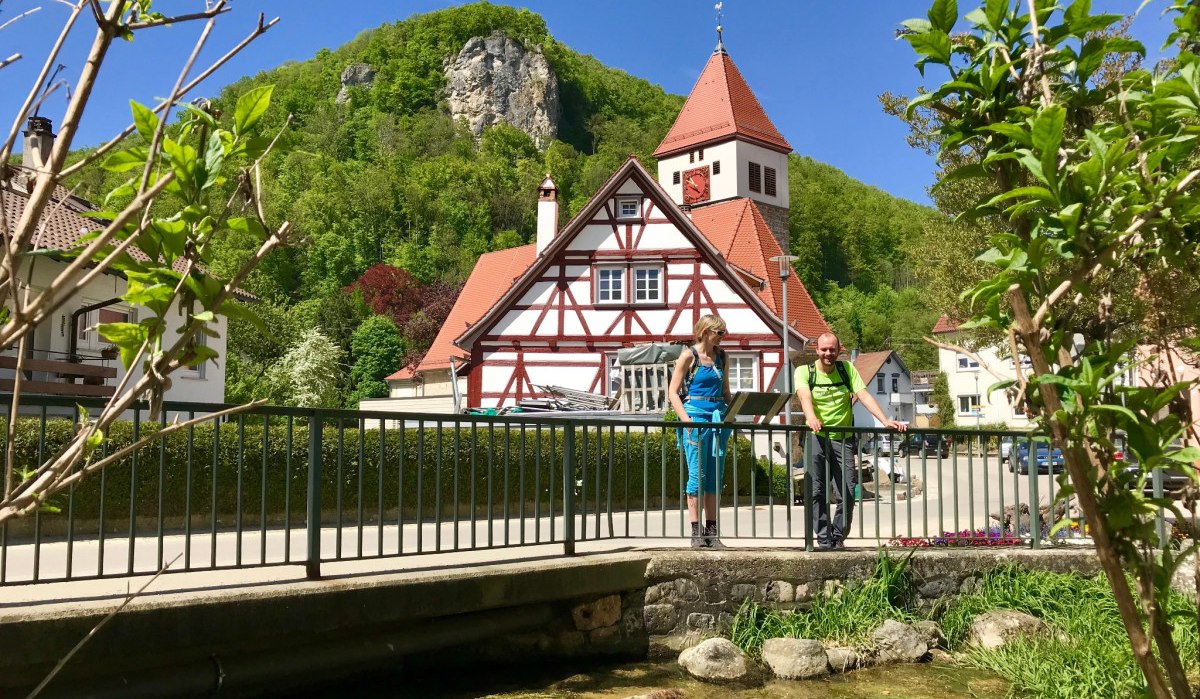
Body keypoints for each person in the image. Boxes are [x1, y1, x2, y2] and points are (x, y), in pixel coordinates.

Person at [795, 332, 906, 550]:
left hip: (843, 439)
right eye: (824, 349)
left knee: (846, 490)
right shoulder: (804, 372)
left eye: (832, 349)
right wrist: (811, 417)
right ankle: (824, 537)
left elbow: (863, 395)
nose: (828, 353)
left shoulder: (846, 370)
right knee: (816, 490)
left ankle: (838, 536)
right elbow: (804, 396)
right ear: (817, 350)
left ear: (839, 350)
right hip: (816, 436)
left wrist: (885, 421)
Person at [668, 314, 734, 548]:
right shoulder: (689, 355)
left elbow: (726, 391)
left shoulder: (722, 357)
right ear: (706, 332)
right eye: (720, 333)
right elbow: (673, 392)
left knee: (715, 476)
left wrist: (735, 412)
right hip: (695, 416)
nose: (723, 338)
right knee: (697, 476)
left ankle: (712, 533)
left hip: (717, 419)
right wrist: (686, 421)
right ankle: (696, 533)